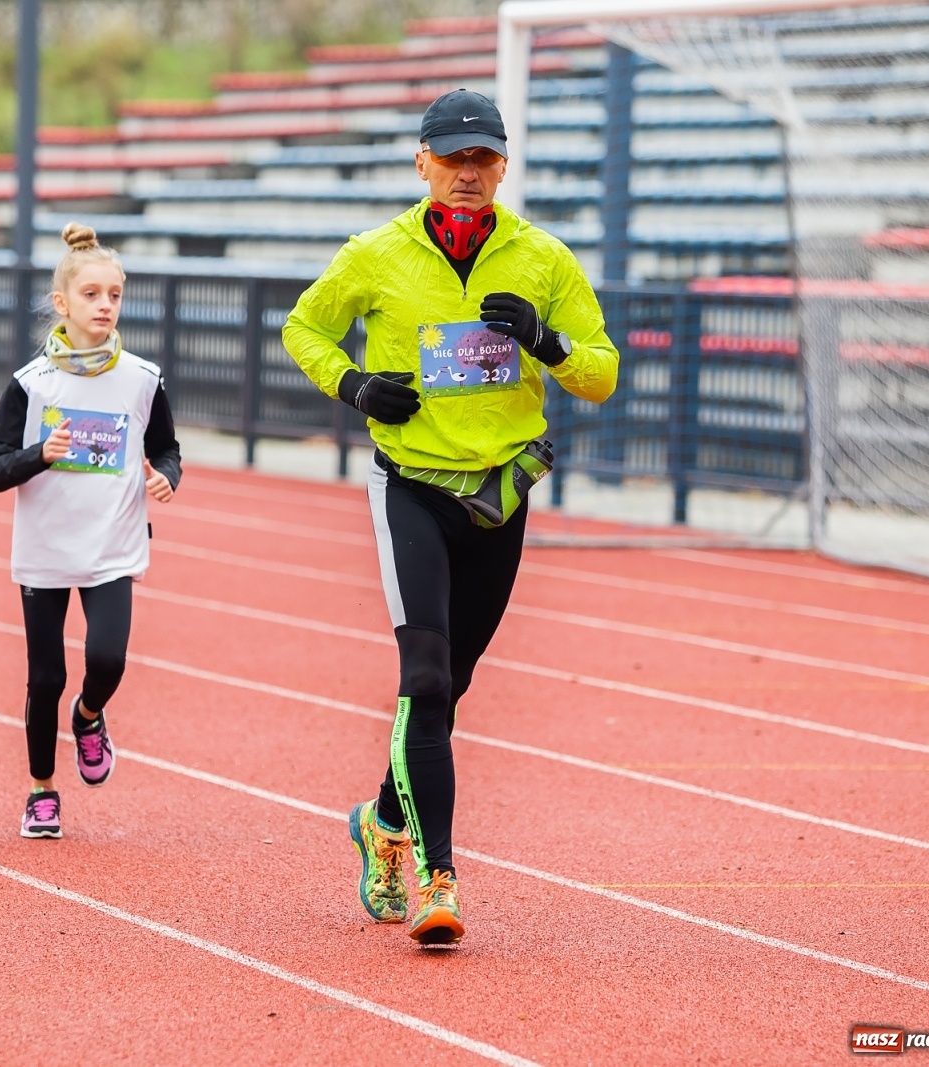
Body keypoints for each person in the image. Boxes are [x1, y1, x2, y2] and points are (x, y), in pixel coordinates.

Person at [282, 89, 619, 944]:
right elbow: (304, 328)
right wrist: (355, 385)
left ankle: (381, 820)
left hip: (501, 494)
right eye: (452, 157)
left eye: (483, 158)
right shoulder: (374, 253)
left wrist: (548, 343)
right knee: (425, 680)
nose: (467, 172)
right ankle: (439, 878)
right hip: (413, 488)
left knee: (449, 688)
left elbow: (603, 372)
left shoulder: (543, 258)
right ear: (422, 162)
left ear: (503, 167)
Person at [0, 223, 181, 839]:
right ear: (62, 303)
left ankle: (89, 715)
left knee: (107, 658)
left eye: (114, 295)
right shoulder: (31, 384)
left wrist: (166, 476)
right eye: (91, 295)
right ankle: (42, 791)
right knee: (45, 678)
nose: (104, 306)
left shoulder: (142, 379)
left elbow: (166, 448)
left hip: (112, 545)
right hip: (45, 548)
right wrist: (39, 454)